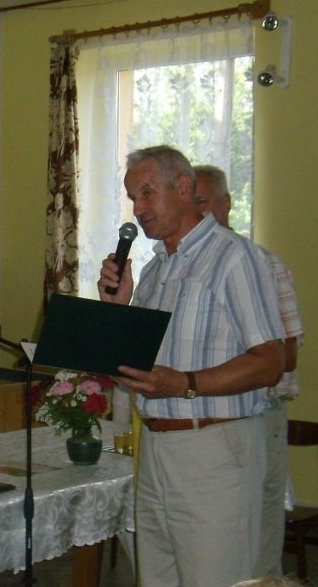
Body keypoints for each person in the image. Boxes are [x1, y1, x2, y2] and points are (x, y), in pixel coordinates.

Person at [98, 145, 286, 586]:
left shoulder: (234, 257)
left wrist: (185, 383)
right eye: (132, 199)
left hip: (215, 449)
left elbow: (270, 362)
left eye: (146, 194)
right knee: (157, 578)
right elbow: (136, 368)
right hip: (157, 449)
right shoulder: (151, 270)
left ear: (183, 188)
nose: (138, 209)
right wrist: (118, 308)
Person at [195, 164, 304, 577]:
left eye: (204, 202)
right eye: (191, 203)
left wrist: (211, 370)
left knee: (257, 542)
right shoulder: (181, 265)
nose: (198, 212)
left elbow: (287, 355)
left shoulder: (259, 262)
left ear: (227, 204)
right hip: (206, 422)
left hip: (257, 414)